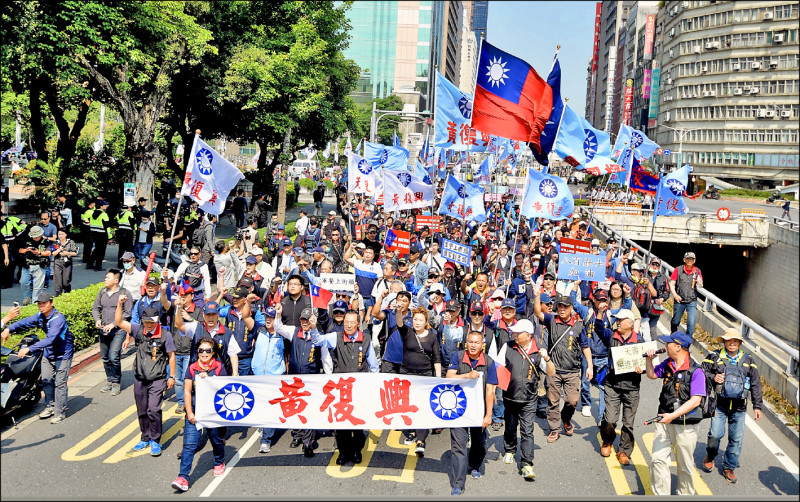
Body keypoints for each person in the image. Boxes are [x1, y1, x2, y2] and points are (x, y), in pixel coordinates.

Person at [645, 331, 707, 496]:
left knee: (684, 465)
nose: (665, 346)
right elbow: (651, 374)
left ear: (678, 347)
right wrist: (649, 360)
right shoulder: (668, 363)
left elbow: (695, 400)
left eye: (668, 343)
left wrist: (673, 416)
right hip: (663, 419)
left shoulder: (696, 371)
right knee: (657, 460)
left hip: (685, 425)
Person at [115, 297, 176, 456]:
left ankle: (156, 440)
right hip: (140, 378)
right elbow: (120, 322)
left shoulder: (165, 335)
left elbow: (171, 355)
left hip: (157, 379)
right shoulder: (137, 329)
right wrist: (120, 304)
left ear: (157, 320)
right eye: (146, 321)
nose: (149, 325)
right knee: (142, 410)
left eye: (152, 322)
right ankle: (145, 436)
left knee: (154, 409)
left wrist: (172, 377)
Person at [316, 310, 379, 465]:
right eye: (346, 322)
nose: (348, 325)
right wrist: (312, 327)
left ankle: (357, 451)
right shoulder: (336, 337)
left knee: (358, 424)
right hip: (341, 390)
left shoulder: (366, 339)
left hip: (359, 390)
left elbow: (374, 366)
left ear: (358, 323)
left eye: (352, 322)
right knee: (341, 424)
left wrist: (373, 386)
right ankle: (343, 453)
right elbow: (318, 341)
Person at [1, 292, 74, 424]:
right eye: (39, 304)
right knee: (46, 380)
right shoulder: (41, 316)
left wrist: (29, 348)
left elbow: (51, 339)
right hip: (48, 353)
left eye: (44, 303)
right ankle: (50, 406)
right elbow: (26, 322)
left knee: (60, 383)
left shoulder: (58, 319)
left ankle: (59, 412)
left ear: (51, 303)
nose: (41, 306)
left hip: (63, 354)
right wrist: (9, 329)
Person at [701, 328, 763, 484]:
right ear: (724, 342)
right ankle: (711, 455)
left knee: (736, 439)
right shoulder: (714, 356)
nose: (732, 343)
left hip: (740, 407)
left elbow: (756, 384)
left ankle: (729, 467)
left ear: (740, 343)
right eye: (729, 340)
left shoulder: (749, 360)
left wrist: (757, 406)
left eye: (735, 341)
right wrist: (714, 377)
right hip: (719, 405)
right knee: (715, 435)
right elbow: (701, 372)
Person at [532, 290, 592, 443]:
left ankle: (566, 418)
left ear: (571, 308)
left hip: (572, 370)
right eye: (560, 306)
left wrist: (590, 367)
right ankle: (554, 429)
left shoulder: (578, 326)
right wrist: (537, 295)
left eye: (566, 306)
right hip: (554, 369)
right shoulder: (551, 320)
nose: (562, 309)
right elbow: (538, 312)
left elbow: (585, 347)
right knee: (553, 401)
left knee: (572, 401)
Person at [499, 319, 556, 480]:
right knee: (510, 427)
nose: (514, 334)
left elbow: (551, 372)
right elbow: (498, 366)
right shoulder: (508, 346)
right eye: (514, 332)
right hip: (510, 396)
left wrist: (547, 359)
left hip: (529, 399)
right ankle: (510, 450)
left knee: (527, 430)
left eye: (518, 332)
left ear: (528, 335)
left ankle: (527, 463)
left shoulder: (538, 352)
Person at [446, 330, 500, 495]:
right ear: (466, 343)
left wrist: (488, 415)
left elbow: (490, 390)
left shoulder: (489, 362)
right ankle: (458, 483)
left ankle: (475, 465)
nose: (473, 345)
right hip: (459, 410)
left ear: (482, 344)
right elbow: (449, 376)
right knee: (458, 446)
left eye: (477, 342)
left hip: (479, 410)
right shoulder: (458, 356)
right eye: (470, 342)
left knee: (478, 443)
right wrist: (467, 375)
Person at [171, 337, 228, 492]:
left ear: (213, 353)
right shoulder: (192, 368)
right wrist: (189, 412)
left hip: (213, 413)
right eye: (201, 350)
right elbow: (187, 392)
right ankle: (183, 477)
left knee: (216, 440)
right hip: (195, 412)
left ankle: (219, 461)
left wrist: (208, 380)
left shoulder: (219, 368)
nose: (204, 353)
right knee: (189, 445)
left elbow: (223, 392)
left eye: (208, 351)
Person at [592, 308, 644, 466]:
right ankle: (607, 441)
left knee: (628, 422)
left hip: (632, 387)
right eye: (617, 320)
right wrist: (600, 314)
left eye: (621, 320)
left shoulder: (639, 341)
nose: (618, 323)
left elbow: (648, 364)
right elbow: (599, 328)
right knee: (610, 419)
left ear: (630, 323)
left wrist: (642, 367)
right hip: (612, 385)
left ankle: (624, 450)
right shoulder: (612, 335)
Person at [395, 306, 442, 456]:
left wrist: (438, 379)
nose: (417, 322)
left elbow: (436, 359)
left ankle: (421, 440)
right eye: (415, 319)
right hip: (407, 375)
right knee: (408, 406)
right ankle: (412, 431)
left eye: (420, 320)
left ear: (426, 322)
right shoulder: (407, 332)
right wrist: (398, 312)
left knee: (421, 407)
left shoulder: (432, 337)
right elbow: (399, 323)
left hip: (424, 376)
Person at [92, 269, 133, 396]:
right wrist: (97, 320)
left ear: (116, 280)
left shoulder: (124, 293)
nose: (105, 279)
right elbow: (95, 308)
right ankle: (109, 380)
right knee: (105, 358)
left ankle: (116, 382)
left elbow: (127, 313)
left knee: (113, 356)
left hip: (118, 331)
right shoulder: (102, 292)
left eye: (107, 278)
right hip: (103, 331)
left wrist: (114, 324)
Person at [251, 306, 286, 453]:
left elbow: (287, 355)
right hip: (259, 376)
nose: (268, 319)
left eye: (271, 317)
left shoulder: (282, 335)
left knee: (270, 407)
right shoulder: (260, 331)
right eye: (266, 317)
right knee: (261, 405)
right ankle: (265, 426)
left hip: (274, 378)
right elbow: (247, 316)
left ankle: (266, 440)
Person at [669, 251, 703, 339]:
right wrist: (675, 295)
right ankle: (673, 332)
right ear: (684, 259)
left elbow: (701, 284)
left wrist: (700, 282)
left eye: (692, 259)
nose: (689, 261)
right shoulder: (678, 270)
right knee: (676, 321)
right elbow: (672, 284)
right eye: (688, 259)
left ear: (694, 260)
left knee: (691, 323)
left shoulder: (697, 271)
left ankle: (687, 343)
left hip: (692, 300)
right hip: (679, 299)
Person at [18, 225, 51, 305]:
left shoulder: (45, 242)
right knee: (23, 282)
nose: (35, 238)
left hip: (40, 265)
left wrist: (39, 253)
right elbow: (20, 250)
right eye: (34, 236)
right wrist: (26, 250)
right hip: (27, 265)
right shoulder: (27, 241)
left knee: (38, 287)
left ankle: (35, 303)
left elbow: (49, 252)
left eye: (36, 236)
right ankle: (27, 297)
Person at [52, 228, 78, 297]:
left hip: (67, 262)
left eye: (62, 234)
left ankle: (67, 291)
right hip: (58, 262)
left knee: (65, 281)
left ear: (66, 234)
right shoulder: (56, 243)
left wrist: (67, 253)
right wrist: (58, 250)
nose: (60, 236)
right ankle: (58, 297)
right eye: (59, 234)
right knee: (58, 282)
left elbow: (75, 253)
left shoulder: (71, 242)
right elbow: (53, 253)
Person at [87, 200, 112, 271]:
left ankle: (90, 263)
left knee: (96, 249)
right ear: (101, 206)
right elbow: (107, 226)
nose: (106, 206)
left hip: (94, 234)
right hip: (102, 235)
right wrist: (110, 237)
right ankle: (98, 266)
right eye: (104, 205)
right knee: (101, 251)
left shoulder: (92, 214)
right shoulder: (104, 214)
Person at [115, 204, 135, 268]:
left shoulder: (118, 214)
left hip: (121, 232)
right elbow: (132, 222)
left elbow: (115, 222)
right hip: (128, 232)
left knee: (121, 249)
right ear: (127, 208)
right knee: (129, 249)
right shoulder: (129, 213)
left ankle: (120, 264)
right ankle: (130, 263)